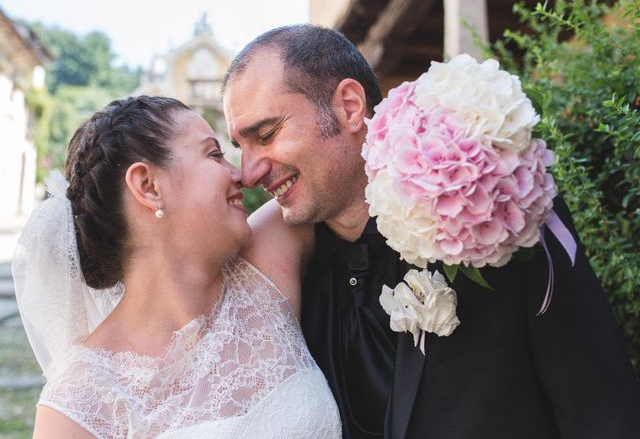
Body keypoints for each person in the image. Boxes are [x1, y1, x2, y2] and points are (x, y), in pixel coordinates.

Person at [222, 24, 640, 439]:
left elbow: (600, 409)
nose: (250, 171)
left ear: (349, 107)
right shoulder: (285, 278)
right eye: (242, 147)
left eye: (267, 134)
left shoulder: (496, 203)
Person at [13, 96, 341, 438]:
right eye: (214, 154)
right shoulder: (79, 404)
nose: (241, 175)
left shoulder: (267, 261)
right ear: (148, 186)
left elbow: (349, 160)